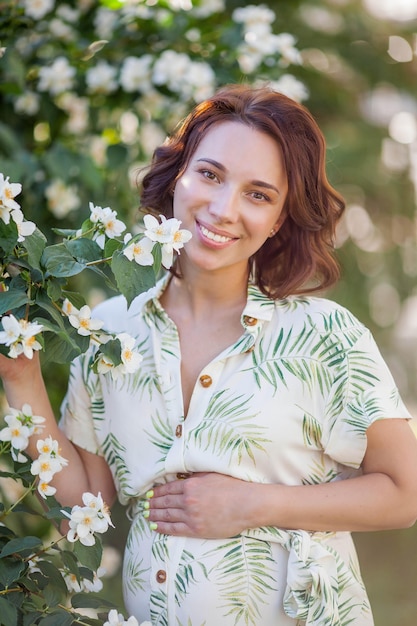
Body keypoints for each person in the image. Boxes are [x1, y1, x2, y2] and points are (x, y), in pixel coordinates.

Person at [1, 84, 417, 626]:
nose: (223, 209)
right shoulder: (107, 335)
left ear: (280, 218)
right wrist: (21, 379)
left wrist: (254, 504)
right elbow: (87, 514)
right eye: (211, 174)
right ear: (177, 175)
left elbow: (403, 494)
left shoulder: (325, 337)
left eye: (259, 194)